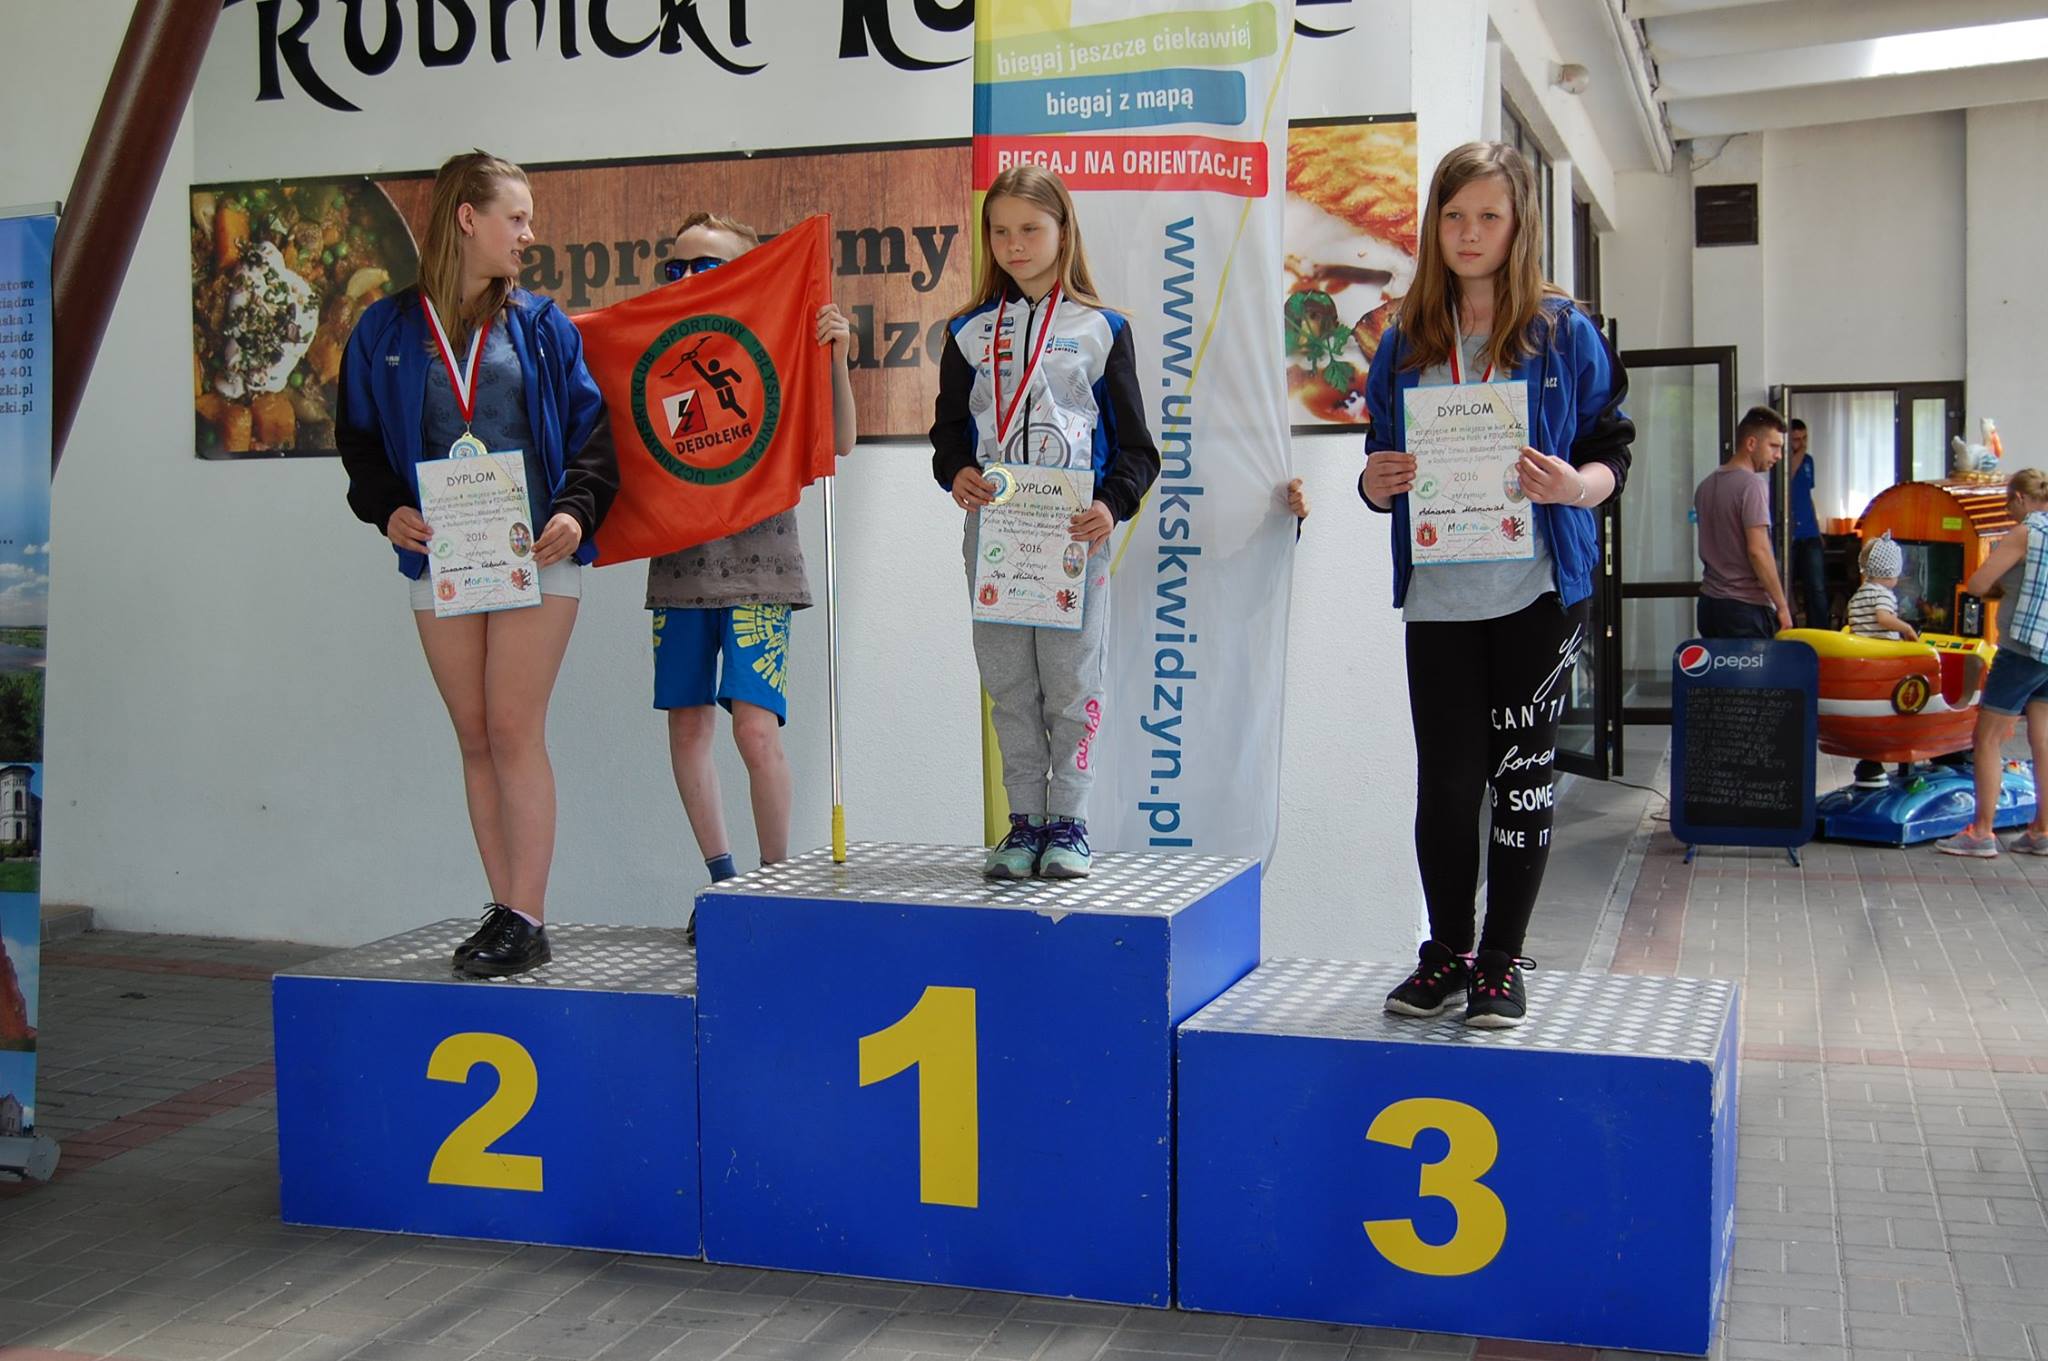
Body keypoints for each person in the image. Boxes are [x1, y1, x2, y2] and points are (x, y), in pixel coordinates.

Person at [1359, 141, 1633, 1029]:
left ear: (1519, 226)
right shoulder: (1404, 339)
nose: (1469, 232)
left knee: (1521, 778)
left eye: (1488, 215)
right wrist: (1375, 484)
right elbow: (1378, 462)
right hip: (1439, 597)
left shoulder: (1562, 331)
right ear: (1432, 224)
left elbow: (1612, 447)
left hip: (1538, 593)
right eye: (1453, 215)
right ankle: (1447, 951)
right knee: (1446, 784)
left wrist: (1576, 485)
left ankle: (1502, 961)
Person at [338, 150, 616, 978]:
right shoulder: (386, 329)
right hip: (444, 556)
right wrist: (386, 507)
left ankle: (528, 913)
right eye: (516, 218)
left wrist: (574, 509)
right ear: (468, 218)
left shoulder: (541, 324)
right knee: (473, 736)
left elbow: (593, 433)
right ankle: (503, 910)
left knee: (511, 727)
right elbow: (359, 443)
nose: (528, 234)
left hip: (534, 552)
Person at [932, 165, 1160, 881]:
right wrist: (955, 472)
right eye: (1000, 231)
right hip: (997, 535)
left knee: (1070, 683)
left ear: (1063, 231)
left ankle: (1070, 822)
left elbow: (1138, 450)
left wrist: (1110, 505)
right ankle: (1024, 821)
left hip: (1071, 534)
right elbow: (947, 435)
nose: (1014, 244)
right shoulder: (967, 332)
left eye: (1030, 229)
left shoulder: (1102, 329)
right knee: (1008, 684)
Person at [645, 212, 857, 944]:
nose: (687, 280)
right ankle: (723, 884)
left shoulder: (777, 345)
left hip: (761, 566)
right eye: (675, 268)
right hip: (680, 565)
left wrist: (835, 358)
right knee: (687, 723)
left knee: (755, 729)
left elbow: (840, 441)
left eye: (705, 267)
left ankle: (773, 886)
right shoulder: (656, 346)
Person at [1936, 469, 2048, 857]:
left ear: (2019, 498)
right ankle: (2042, 830)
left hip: (2021, 649)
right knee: (2042, 740)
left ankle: (1981, 832)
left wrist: (2001, 589)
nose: (2006, 511)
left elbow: (1978, 584)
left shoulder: (2024, 533)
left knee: (1986, 738)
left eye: (2007, 504)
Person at [1695, 407, 1792, 639]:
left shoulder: (1706, 485)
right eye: (1774, 446)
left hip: (1709, 605)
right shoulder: (1752, 485)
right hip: (1745, 608)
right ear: (1751, 443)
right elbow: (1758, 551)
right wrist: (1782, 606)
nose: (1779, 455)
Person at [1784, 418, 1829, 627]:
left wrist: (1818, 530)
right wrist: (1799, 452)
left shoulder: (1809, 461)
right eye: (1796, 439)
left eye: (1804, 438)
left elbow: (1807, 496)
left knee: (1817, 587)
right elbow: (1788, 477)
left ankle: (1820, 631)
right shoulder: (1782, 461)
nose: (1801, 444)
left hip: (1810, 532)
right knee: (1787, 585)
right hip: (1789, 534)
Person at [1847, 534, 1917, 643]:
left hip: (1860, 647)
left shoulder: (1857, 595)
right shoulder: (1883, 593)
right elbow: (1883, 619)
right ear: (1890, 573)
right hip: (1882, 649)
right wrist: (1907, 629)